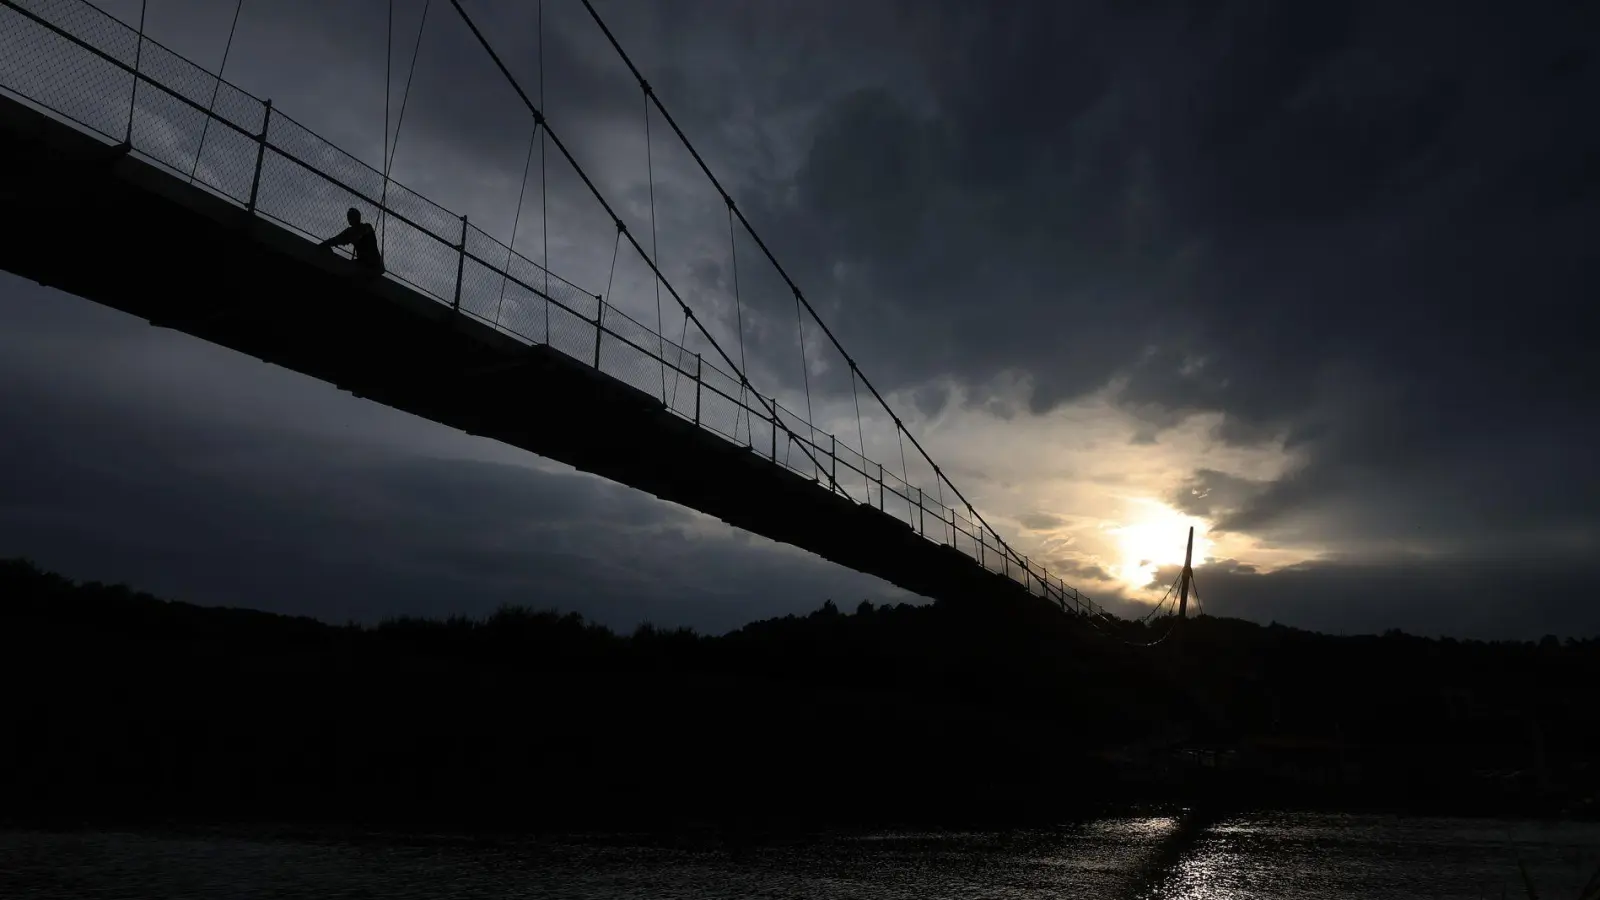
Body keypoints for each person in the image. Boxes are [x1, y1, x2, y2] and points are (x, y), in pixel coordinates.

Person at [319, 207, 385, 275]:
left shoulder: (364, 227)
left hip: (370, 265)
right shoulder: (353, 231)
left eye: (350, 217)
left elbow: (337, 239)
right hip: (371, 264)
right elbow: (337, 239)